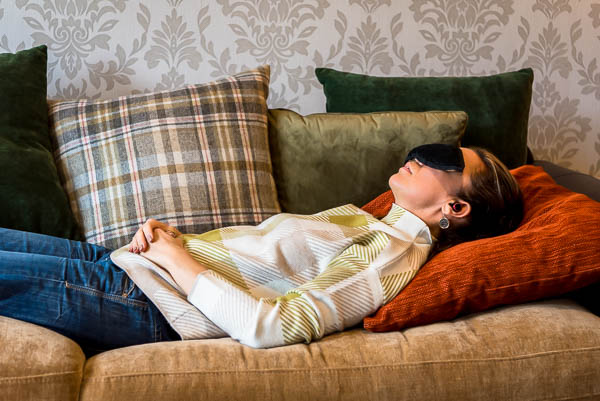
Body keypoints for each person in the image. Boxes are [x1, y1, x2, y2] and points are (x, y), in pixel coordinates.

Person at [0, 144, 523, 355]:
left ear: (456, 209)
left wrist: (175, 261)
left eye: (443, 161)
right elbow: (262, 265)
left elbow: (270, 326)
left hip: (149, 304)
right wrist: (176, 242)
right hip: (130, 266)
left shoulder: (389, 254)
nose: (419, 156)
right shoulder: (372, 222)